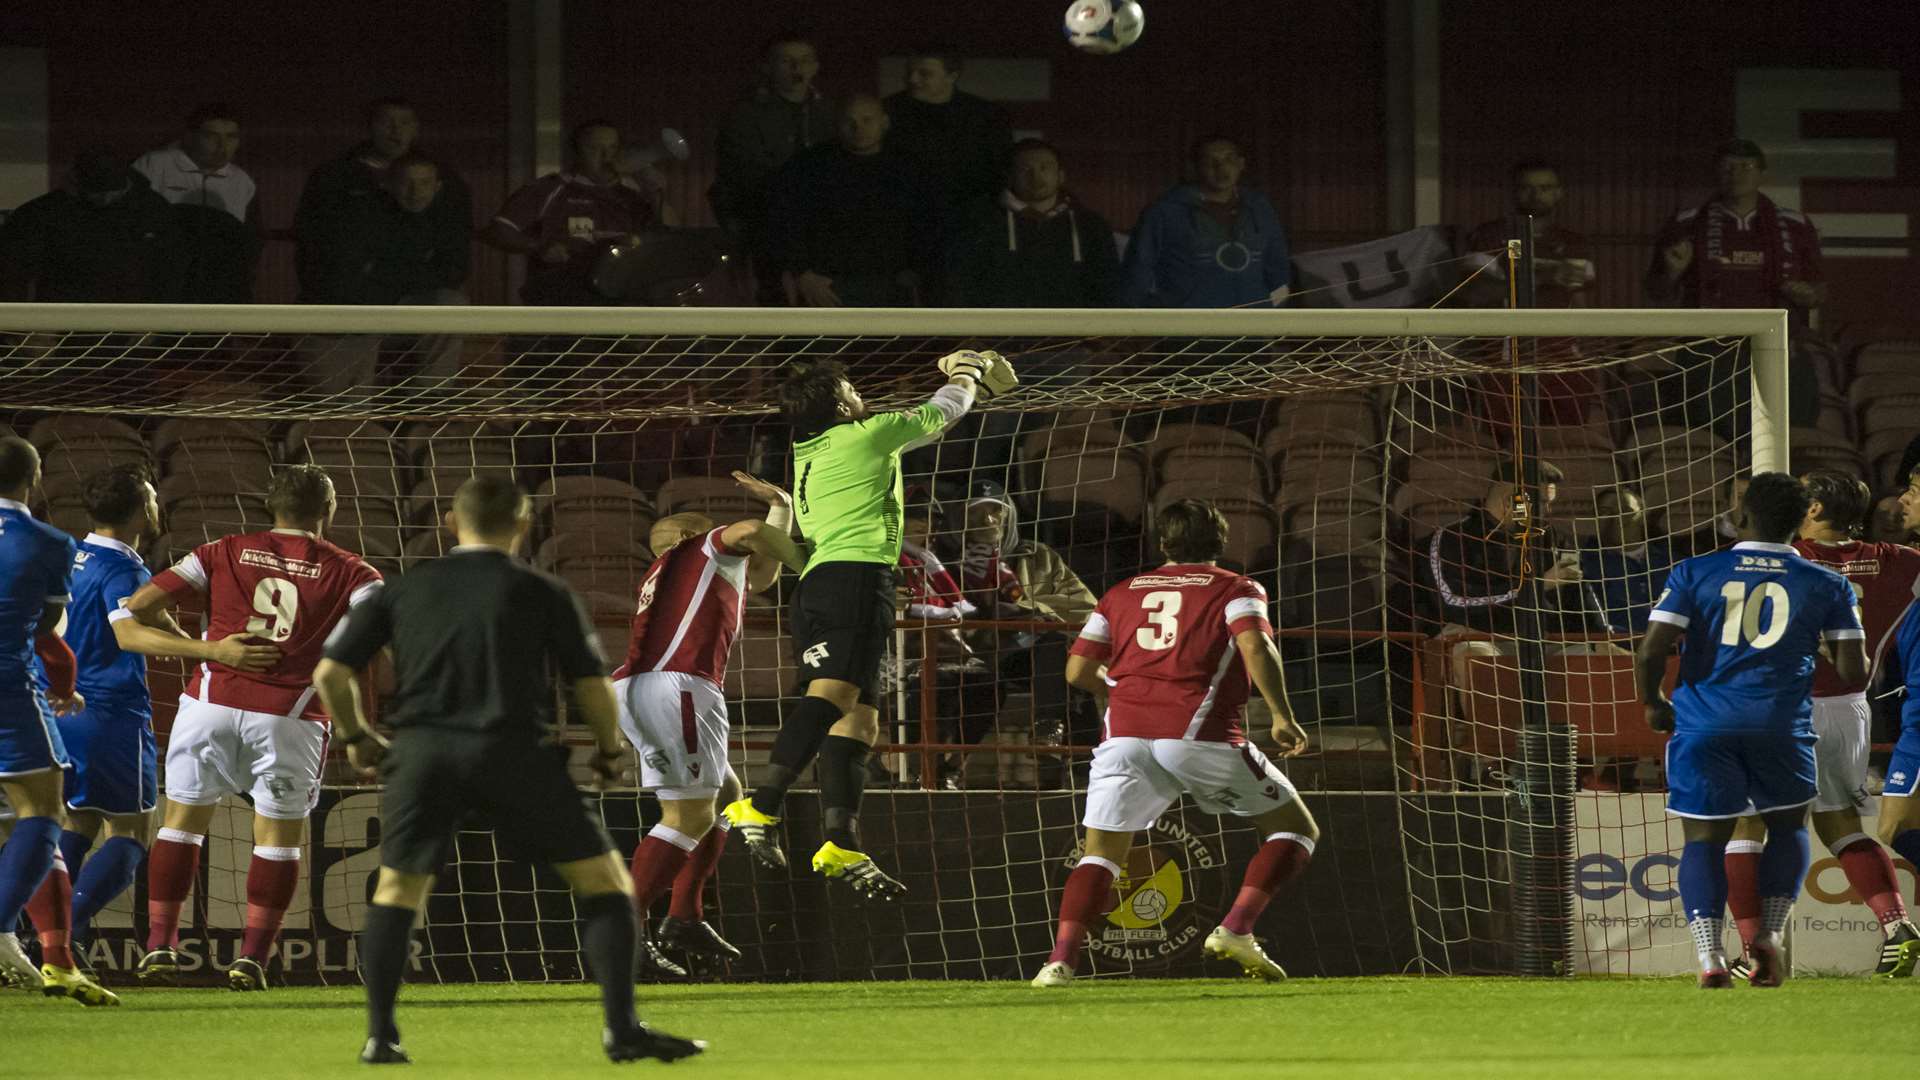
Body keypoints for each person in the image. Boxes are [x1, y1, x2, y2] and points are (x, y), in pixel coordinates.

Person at [311, 475, 703, 1065]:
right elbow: (591, 683)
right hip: (514, 753)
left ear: (450, 522)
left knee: (398, 890)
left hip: (425, 753)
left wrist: (357, 737)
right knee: (605, 885)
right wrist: (607, 747)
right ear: (524, 526)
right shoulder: (543, 590)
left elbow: (329, 674)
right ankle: (622, 1029)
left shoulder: (399, 589)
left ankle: (381, 1036)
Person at [722, 350, 1017, 894]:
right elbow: (942, 412)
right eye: (854, 389)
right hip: (853, 581)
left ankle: (841, 841)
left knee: (859, 721)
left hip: (822, 584)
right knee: (833, 697)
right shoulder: (866, 435)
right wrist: (966, 372)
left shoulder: (807, 454)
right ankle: (760, 807)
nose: (863, 396)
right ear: (839, 402)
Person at [1032, 500, 1316, 987]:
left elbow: (1077, 672)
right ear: (1221, 542)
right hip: (1197, 734)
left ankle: (1059, 963)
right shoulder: (1236, 587)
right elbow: (1256, 645)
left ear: (1162, 543)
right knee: (1294, 829)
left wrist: (1119, 686)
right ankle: (1236, 930)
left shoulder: (1121, 593)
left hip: (1122, 736)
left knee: (1099, 854)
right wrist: (1281, 714)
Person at [127, 464, 383, 991]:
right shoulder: (356, 572)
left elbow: (141, 606)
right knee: (277, 839)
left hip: (209, 702)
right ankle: (252, 959)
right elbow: (376, 644)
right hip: (289, 717)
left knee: (180, 824)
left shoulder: (221, 550)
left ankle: (159, 947)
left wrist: (206, 647)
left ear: (271, 506)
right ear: (328, 511)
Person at [1636, 471, 1867, 989]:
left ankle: (1709, 956)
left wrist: (1653, 703)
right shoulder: (1827, 583)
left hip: (1705, 724)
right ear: (1797, 524)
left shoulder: (1695, 571)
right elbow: (1856, 673)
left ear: (1741, 516)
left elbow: (1652, 649)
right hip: (1780, 726)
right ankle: (1769, 933)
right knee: (1788, 828)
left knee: (1704, 840)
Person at [52, 468, 281, 966]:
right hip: (109, 714)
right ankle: (62, 929)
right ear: (140, 510)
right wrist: (212, 650)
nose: (158, 506)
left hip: (60, 708)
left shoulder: (70, 555)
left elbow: (138, 617)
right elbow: (128, 633)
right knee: (133, 833)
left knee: (80, 820)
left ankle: (42, 931)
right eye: (153, 498)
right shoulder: (125, 570)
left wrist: (185, 643)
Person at [1716, 471, 1920, 978]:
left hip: (1783, 709)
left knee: (1747, 827)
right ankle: (1897, 926)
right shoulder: (1901, 563)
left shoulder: (1784, 561)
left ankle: (1755, 950)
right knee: (1842, 826)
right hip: (1850, 709)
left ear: (1811, 511)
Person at [615, 473, 804, 968]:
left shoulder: (673, 573)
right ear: (687, 536)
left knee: (724, 792)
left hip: (646, 685)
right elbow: (749, 534)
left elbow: (761, 575)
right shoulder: (701, 548)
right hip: (678, 684)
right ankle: (622, 930)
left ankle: (685, 915)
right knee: (689, 816)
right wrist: (813, 564)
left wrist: (780, 508)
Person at [0, 437, 116, 1006]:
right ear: (35, 477)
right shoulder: (48, 542)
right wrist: (65, 688)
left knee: (16, 830)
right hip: (7, 691)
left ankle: (58, 960)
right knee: (43, 813)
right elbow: (45, 630)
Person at [1645, 139, 1824, 435]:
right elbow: (1656, 291)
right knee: (1706, 437)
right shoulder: (1686, 223)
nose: (1736, 174)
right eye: (1728, 167)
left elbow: (1820, 291)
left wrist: (1809, 294)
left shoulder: (1795, 225)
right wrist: (1673, 272)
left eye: (1746, 166)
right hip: (1707, 351)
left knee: (1788, 433)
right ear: (1715, 172)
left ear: (1762, 173)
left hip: (1774, 347)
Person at [295, 96, 474, 304]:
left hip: (417, 290)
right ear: (370, 126)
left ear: (416, 128)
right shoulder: (334, 176)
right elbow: (313, 240)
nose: (395, 131)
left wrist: (398, 279)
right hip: (346, 294)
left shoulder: (445, 178)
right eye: (385, 122)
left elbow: (454, 253)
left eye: (405, 123)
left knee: (450, 303)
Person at [764, 94, 936, 307]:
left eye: (867, 120)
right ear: (838, 124)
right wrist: (803, 274)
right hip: (827, 285)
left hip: (891, 284)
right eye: (850, 121)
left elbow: (927, 222)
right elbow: (784, 220)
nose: (858, 128)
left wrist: (917, 270)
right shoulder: (810, 166)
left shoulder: (908, 168)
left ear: (884, 122)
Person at [711, 30, 835, 293]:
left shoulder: (828, 113)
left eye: (804, 60)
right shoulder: (746, 114)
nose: (797, 68)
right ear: (768, 67)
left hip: (820, 228)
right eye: (787, 60)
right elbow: (745, 175)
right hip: (765, 224)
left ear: (815, 66)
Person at [481, 120, 657, 304]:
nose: (606, 157)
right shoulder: (551, 189)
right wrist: (539, 247)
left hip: (619, 302)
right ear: (576, 152)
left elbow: (671, 232)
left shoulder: (631, 198)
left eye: (612, 148)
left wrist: (654, 191)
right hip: (562, 299)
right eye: (594, 148)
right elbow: (498, 230)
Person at [945, 138, 1121, 308]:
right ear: (1010, 176)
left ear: (1061, 175)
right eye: (1025, 168)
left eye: (1045, 167)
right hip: (999, 334)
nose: (1036, 176)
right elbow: (959, 283)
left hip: (1072, 334)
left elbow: (1108, 286)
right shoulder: (981, 223)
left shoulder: (1090, 226)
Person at [1120, 135, 1291, 309]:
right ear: (1195, 167)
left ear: (1241, 164)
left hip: (1251, 325)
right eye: (1210, 161)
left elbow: (1277, 267)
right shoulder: (1165, 212)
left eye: (1229, 159)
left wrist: (1274, 312)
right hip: (1189, 325)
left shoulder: (1259, 208)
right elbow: (1138, 270)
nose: (1221, 168)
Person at [0, 150, 176, 302]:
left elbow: (169, 270)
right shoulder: (40, 214)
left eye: (114, 192)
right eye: (97, 193)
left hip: (134, 320)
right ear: (75, 183)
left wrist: (157, 323)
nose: (106, 200)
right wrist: (28, 323)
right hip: (61, 320)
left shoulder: (152, 209)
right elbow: (13, 273)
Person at [1874, 470, 1920, 977]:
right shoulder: (1908, 561)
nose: (1903, 501)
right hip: (1912, 711)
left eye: (1914, 494)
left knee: (1892, 825)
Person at [882, 44, 1012, 223]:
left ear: (952, 76)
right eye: (910, 71)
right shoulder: (886, 111)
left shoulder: (985, 116)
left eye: (924, 73)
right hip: (901, 217)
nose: (912, 79)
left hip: (966, 218)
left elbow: (1000, 170)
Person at [1462, 160, 1595, 308]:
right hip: (1505, 328)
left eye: (1545, 188)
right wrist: (1545, 278)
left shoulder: (1572, 241)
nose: (1536, 195)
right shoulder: (1489, 234)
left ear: (1559, 192)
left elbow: (1579, 298)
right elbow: (1476, 291)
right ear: (1513, 191)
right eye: (1526, 188)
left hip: (1554, 329)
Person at [133, 102, 257, 227]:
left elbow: (252, 233)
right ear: (190, 137)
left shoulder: (242, 181)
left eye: (231, 137)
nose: (222, 146)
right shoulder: (154, 165)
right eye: (211, 136)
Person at [1579, 486, 1681, 635]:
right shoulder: (1586, 565)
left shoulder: (1672, 560)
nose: (1618, 517)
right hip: (1617, 648)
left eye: (1626, 510)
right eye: (1606, 512)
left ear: (1644, 514)